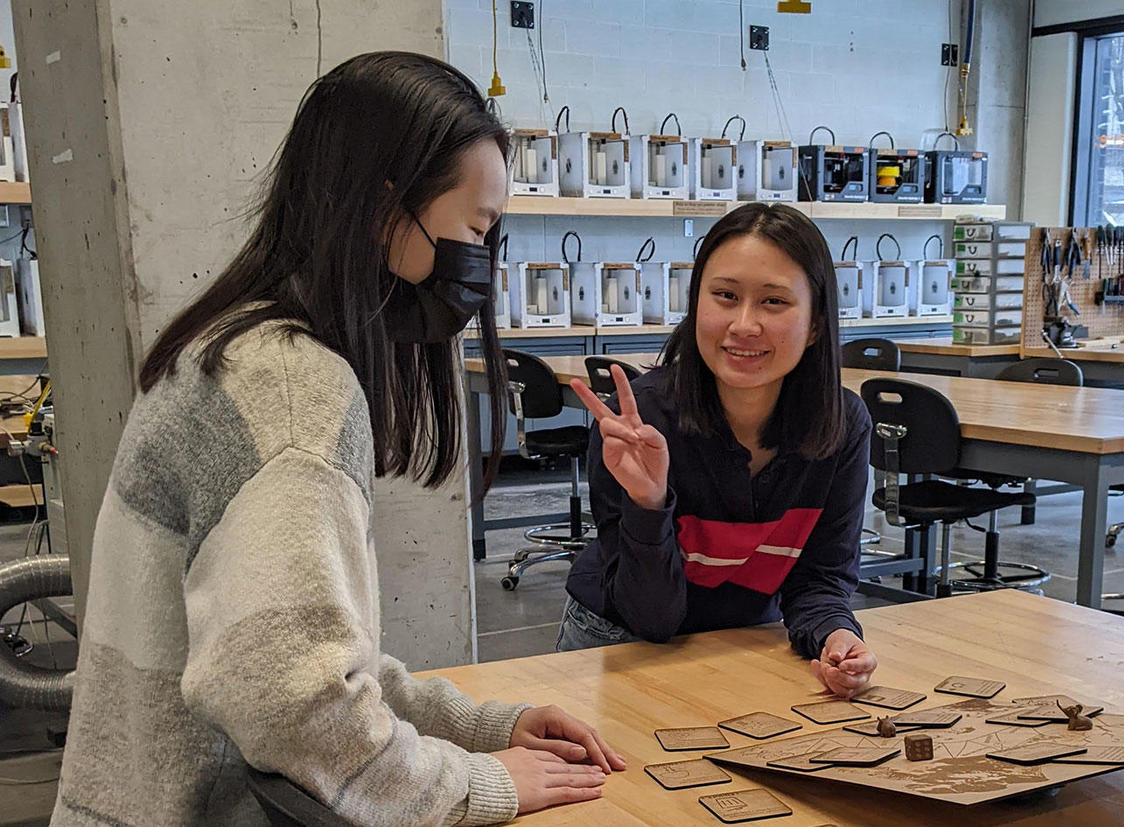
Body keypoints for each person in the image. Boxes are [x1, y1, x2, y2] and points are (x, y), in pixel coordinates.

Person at [53, 52, 622, 827]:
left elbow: (302, 653)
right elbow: (297, 701)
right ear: (387, 208)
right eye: (477, 228)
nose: (482, 262)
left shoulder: (238, 346)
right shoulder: (293, 389)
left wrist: (483, 727)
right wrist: (481, 781)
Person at [558, 203, 879, 699]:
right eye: (725, 296)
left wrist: (836, 636)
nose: (744, 324)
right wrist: (648, 506)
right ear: (697, 303)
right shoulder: (638, 428)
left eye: (774, 302)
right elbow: (652, 619)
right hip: (619, 640)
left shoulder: (841, 426)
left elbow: (820, 578)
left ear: (816, 322)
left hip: (746, 640)